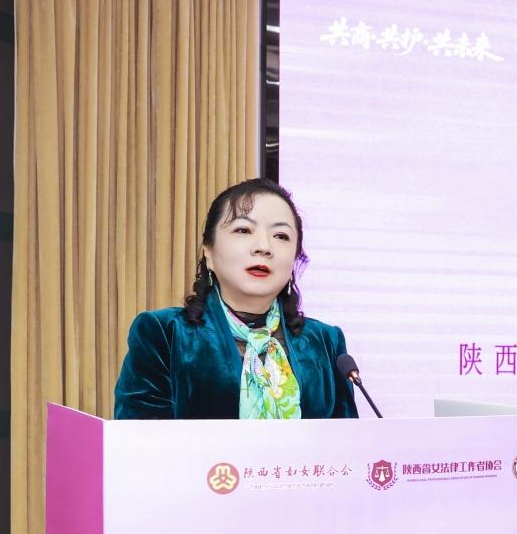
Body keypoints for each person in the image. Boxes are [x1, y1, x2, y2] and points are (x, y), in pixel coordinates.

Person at [113, 178, 358, 420]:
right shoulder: (164, 334)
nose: (264, 247)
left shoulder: (325, 342)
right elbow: (139, 439)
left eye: (281, 236)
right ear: (208, 252)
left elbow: (348, 441)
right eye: (243, 230)